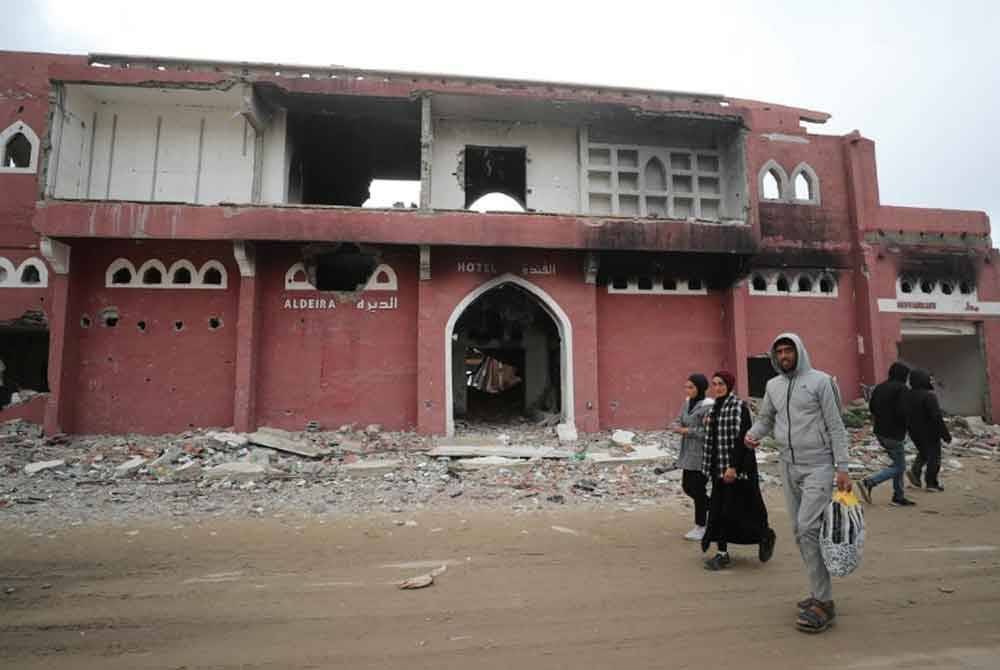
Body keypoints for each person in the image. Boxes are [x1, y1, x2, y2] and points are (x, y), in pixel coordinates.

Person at [745, 333, 851, 634]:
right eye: (778, 351)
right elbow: (766, 419)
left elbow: (835, 425)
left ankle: (824, 602)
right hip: (787, 465)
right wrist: (754, 434)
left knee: (808, 527)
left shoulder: (821, 382)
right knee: (799, 530)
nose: (783, 355)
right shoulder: (773, 386)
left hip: (818, 464)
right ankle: (819, 592)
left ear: (799, 351)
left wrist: (842, 467)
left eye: (788, 349)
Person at [700, 370, 776, 570]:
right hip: (718, 469)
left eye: (721, 384)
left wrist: (733, 467)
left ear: (729, 386)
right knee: (718, 511)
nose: (717, 388)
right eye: (715, 384)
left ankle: (765, 535)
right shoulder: (713, 409)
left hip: (738, 470)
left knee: (748, 509)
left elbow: (744, 440)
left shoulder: (739, 408)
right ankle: (722, 553)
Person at [858, 362, 916, 506]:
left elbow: (871, 408)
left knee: (898, 463)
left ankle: (898, 496)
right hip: (894, 433)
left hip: (880, 431)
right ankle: (870, 482)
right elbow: (903, 412)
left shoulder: (880, 387)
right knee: (899, 466)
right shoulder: (902, 389)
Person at [672, 373, 712, 541]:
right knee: (688, 487)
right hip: (688, 452)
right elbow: (679, 419)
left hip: (702, 453)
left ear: (700, 388)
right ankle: (716, 509)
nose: (687, 390)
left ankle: (701, 525)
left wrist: (687, 431)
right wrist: (676, 426)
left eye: (691, 387)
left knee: (697, 488)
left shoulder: (708, 406)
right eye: (686, 387)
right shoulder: (688, 403)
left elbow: (708, 431)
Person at [905, 368, 951, 492]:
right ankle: (931, 483)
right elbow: (936, 417)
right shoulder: (929, 396)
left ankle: (915, 473)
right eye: (929, 379)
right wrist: (945, 435)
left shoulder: (908, 395)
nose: (931, 381)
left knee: (924, 453)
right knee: (934, 457)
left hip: (913, 431)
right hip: (930, 431)